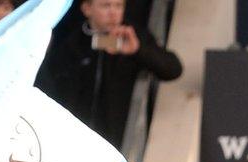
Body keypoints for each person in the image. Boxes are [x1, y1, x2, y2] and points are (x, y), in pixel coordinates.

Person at [35, 0, 184, 146]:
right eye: (106, 5)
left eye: (119, 6)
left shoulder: (133, 35)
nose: (113, 13)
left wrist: (138, 51)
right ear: (87, 8)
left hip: (117, 136)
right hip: (76, 135)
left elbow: (173, 69)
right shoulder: (72, 42)